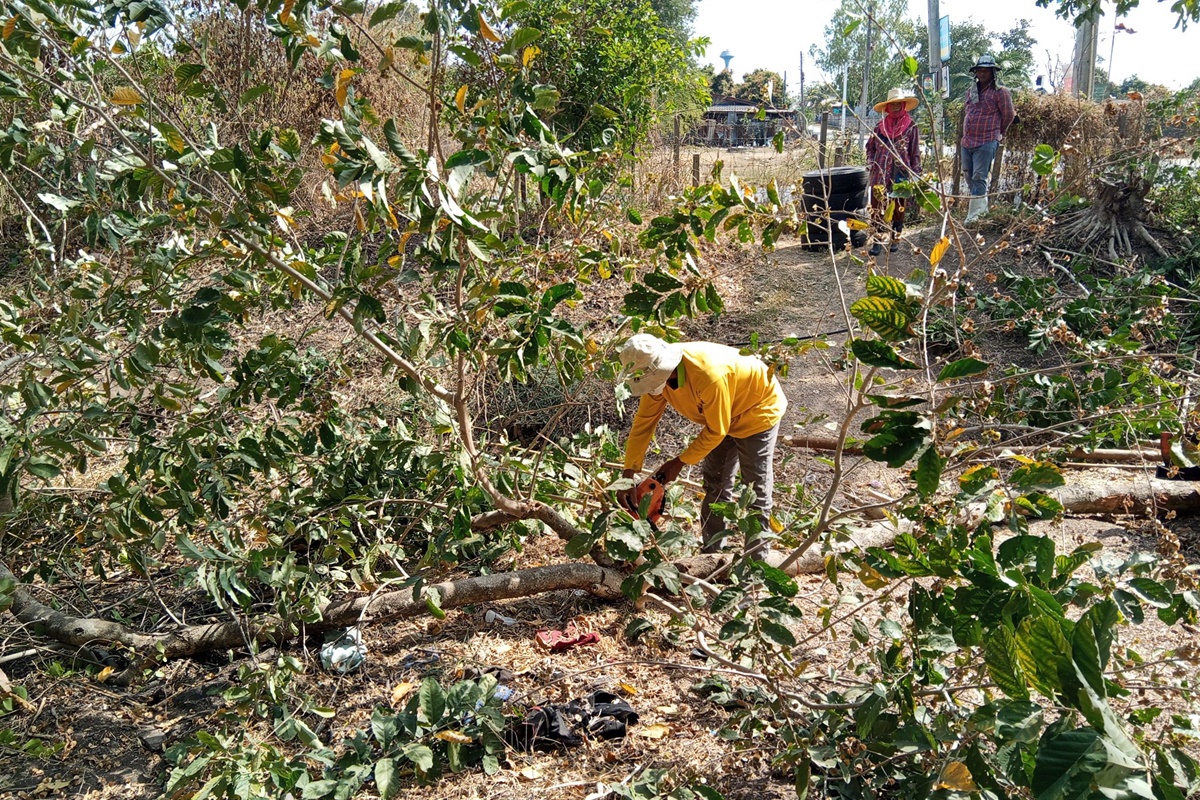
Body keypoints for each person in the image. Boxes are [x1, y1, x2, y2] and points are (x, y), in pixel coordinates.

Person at [615, 334, 788, 559]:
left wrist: (679, 462)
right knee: (716, 482)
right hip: (720, 415)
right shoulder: (657, 381)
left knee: (755, 492)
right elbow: (643, 425)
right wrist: (628, 475)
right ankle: (712, 556)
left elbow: (717, 430)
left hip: (756, 409)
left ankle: (755, 568)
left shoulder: (709, 376)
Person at [865, 87, 922, 257]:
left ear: (903, 105)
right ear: (888, 107)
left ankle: (895, 238)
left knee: (898, 207)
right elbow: (870, 148)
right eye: (893, 104)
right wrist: (870, 162)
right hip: (880, 172)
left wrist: (916, 173)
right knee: (877, 206)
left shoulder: (911, 127)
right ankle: (877, 241)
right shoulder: (879, 127)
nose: (896, 107)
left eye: (899, 104)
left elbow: (915, 151)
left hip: (900, 173)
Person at [961, 54, 1016, 223]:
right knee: (968, 174)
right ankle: (981, 211)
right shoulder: (971, 91)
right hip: (968, 141)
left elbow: (1009, 115)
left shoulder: (1000, 92)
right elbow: (967, 111)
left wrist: (999, 133)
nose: (983, 74)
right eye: (980, 70)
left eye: (986, 71)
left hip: (986, 140)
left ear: (993, 72)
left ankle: (975, 217)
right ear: (975, 73)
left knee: (979, 176)